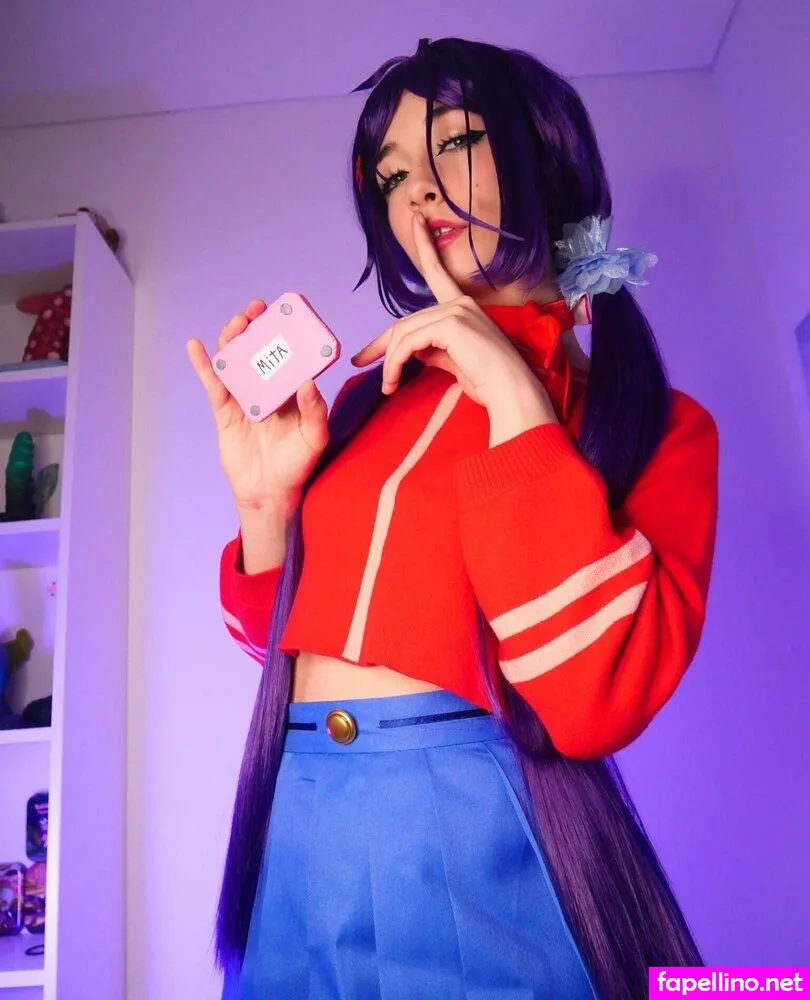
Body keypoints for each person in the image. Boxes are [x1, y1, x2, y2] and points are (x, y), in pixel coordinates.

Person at [187, 36, 719, 1000]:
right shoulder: (367, 398)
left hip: (476, 829)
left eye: (458, 141)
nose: (418, 191)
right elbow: (285, 645)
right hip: (295, 811)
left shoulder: (659, 425)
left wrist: (515, 400)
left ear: (543, 151)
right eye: (391, 175)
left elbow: (598, 701)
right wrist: (265, 509)